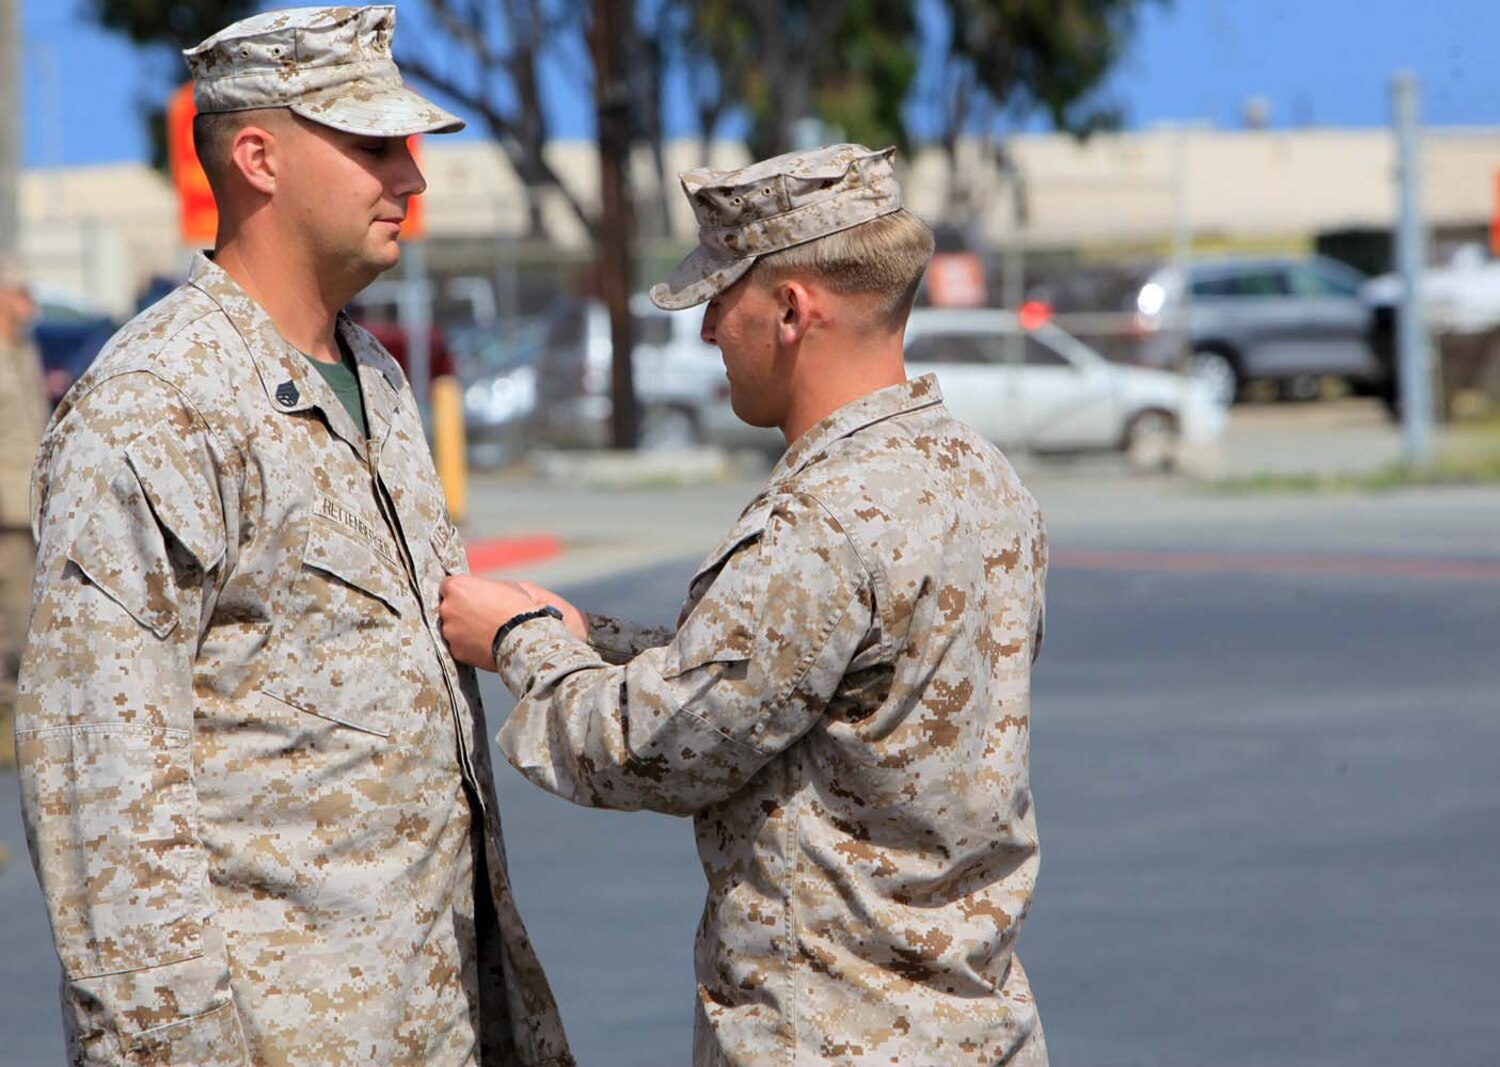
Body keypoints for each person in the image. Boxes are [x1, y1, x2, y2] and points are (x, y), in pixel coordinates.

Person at [18, 7, 570, 1064]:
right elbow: (105, 801)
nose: (409, 180)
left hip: (437, 1018)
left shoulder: (377, 379)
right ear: (258, 157)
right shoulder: (155, 404)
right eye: (371, 146)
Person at [441, 143, 1050, 1064]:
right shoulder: (976, 474)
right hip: (972, 1024)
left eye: (720, 303)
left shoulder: (823, 520)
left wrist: (520, 643)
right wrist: (591, 638)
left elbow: (651, 747)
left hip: (833, 1033)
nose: (708, 333)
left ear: (792, 310)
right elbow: (808, 686)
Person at [0, 257, 45, 775]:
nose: (29, 305)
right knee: (12, 622)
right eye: (20, 295)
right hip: (4, 511)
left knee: (22, 617)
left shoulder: (24, 350)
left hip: (24, 505)